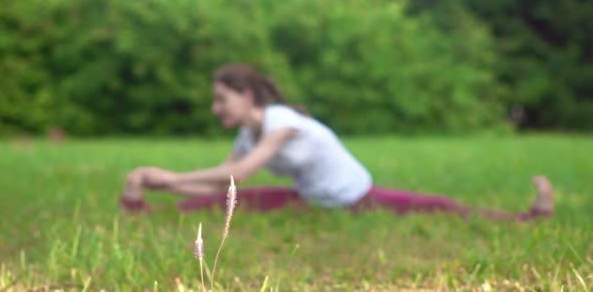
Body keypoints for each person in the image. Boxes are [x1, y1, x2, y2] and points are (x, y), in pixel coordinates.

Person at [120, 63, 554, 221]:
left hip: (355, 198)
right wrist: (164, 186)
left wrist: (171, 175)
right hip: (306, 200)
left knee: (439, 207)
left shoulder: (282, 122)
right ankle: (143, 213)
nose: (215, 108)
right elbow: (224, 185)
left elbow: (241, 173)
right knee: (228, 204)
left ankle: (525, 217)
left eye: (221, 99)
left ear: (247, 96)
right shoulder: (246, 132)